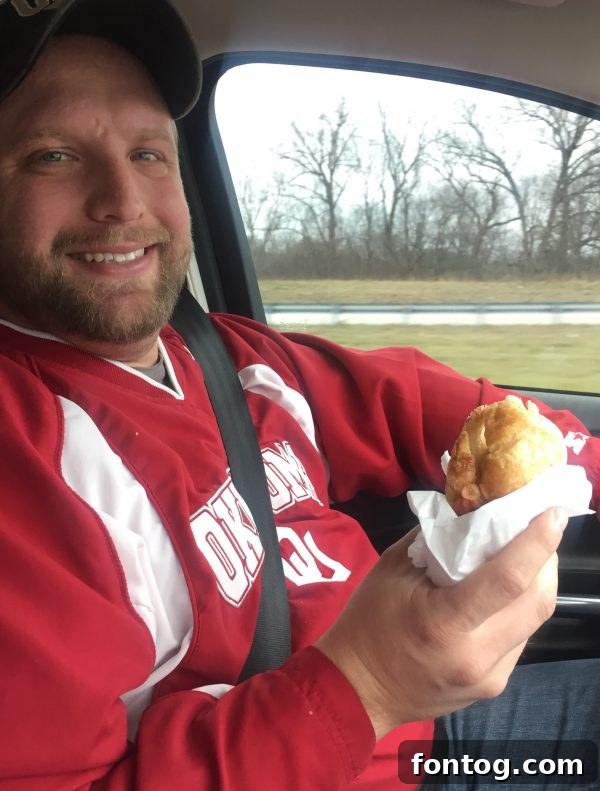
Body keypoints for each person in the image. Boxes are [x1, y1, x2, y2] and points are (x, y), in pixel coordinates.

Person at [0, 1, 599, 789]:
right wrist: (370, 685)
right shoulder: (25, 456)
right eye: (54, 155)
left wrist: (557, 473)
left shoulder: (235, 357)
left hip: (439, 731)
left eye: (150, 153)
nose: (122, 199)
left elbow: (488, 421)